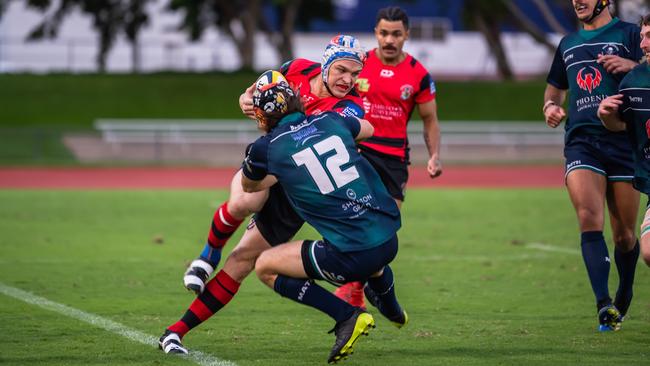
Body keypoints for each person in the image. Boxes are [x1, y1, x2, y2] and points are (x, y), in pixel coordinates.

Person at [159, 35, 369, 354]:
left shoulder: (350, 105)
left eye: (355, 74)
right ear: (326, 63)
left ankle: (174, 332)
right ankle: (207, 256)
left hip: (296, 190)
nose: (348, 80)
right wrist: (247, 98)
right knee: (246, 199)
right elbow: (257, 92)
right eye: (342, 70)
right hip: (271, 162)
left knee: (243, 261)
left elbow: (339, 131)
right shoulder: (297, 68)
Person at [242, 72, 405, 363]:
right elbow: (367, 128)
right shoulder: (331, 120)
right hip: (388, 239)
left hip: (352, 256)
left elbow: (249, 186)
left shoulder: (264, 148)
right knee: (374, 260)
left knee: (265, 266)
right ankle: (392, 310)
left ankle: (347, 316)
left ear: (262, 117)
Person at [543, 0, 643, 331]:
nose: (577, 2)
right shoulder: (567, 44)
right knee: (588, 217)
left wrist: (631, 65)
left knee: (625, 235)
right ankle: (603, 305)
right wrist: (550, 108)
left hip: (625, 142)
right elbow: (555, 90)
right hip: (582, 141)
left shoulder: (631, 34)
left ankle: (624, 291)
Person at [334, 6, 442, 307]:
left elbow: (430, 119)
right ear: (375, 34)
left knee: (384, 229)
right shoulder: (359, 64)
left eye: (396, 34)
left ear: (406, 35)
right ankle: (353, 289)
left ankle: (370, 285)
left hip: (394, 158)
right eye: (384, 33)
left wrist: (434, 156)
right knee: (355, 217)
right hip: (359, 150)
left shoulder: (418, 74)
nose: (389, 39)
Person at [598, 14, 650, 267]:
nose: (643, 44)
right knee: (649, 253)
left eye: (649, 37)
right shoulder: (633, 82)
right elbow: (621, 126)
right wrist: (606, 115)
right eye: (642, 37)